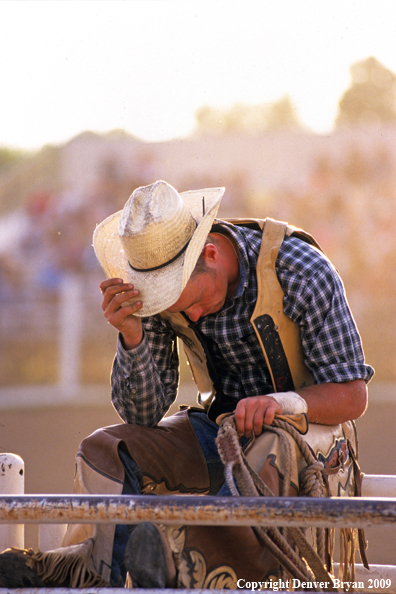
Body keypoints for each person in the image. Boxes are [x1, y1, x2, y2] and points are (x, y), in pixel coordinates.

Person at [0, 180, 374, 588]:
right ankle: (112, 568)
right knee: (106, 448)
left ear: (210, 253)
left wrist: (280, 403)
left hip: (306, 440)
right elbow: (142, 416)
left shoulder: (300, 269)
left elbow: (352, 394)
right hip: (220, 431)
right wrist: (132, 336)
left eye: (195, 300)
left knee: (269, 450)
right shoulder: (165, 298)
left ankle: (161, 563)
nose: (192, 315)